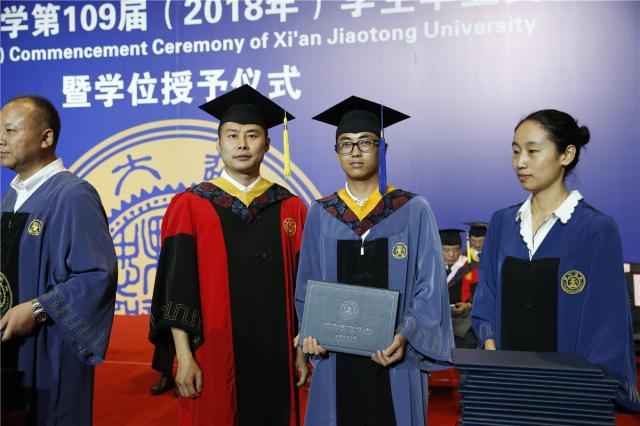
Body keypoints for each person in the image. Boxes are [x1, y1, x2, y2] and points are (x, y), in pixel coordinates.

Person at [149, 85, 309, 426]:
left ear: (268, 144)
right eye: (232, 135)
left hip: (278, 354)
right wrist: (184, 356)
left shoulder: (291, 207)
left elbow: (305, 289)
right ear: (218, 143)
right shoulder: (191, 205)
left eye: (252, 135)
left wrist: (300, 351)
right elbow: (175, 288)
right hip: (213, 354)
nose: (242, 144)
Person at [296, 96, 453, 426]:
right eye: (345, 144)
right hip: (337, 358)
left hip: (394, 356)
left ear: (383, 148)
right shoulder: (322, 213)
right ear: (336, 152)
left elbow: (430, 285)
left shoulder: (412, 209)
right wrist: (311, 330)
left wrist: (406, 334)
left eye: (365, 142)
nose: (355, 152)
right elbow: (307, 285)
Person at [471, 109, 640, 411]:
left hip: (568, 394)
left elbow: (608, 324)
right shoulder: (502, 222)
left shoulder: (596, 230)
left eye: (533, 151)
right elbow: (487, 295)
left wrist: (583, 390)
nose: (520, 162)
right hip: (504, 386)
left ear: (566, 154)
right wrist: (491, 347)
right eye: (515, 151)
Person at [0, 95, 117, 424]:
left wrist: (38, 309)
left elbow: (97, 274)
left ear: (46, 137)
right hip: (9, 347)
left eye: (10, 130)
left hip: (49, 348)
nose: (1, 140)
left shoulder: (72, 195)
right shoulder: (12, 196)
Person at [440, 229, 478, 348]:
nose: (451, 254)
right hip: (437, 320)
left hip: (463, 321)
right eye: (446, 250)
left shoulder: (470, 267)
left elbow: (478, 292)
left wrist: (468, 305)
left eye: (455, 250)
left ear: (461, 248)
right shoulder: (431, 265)